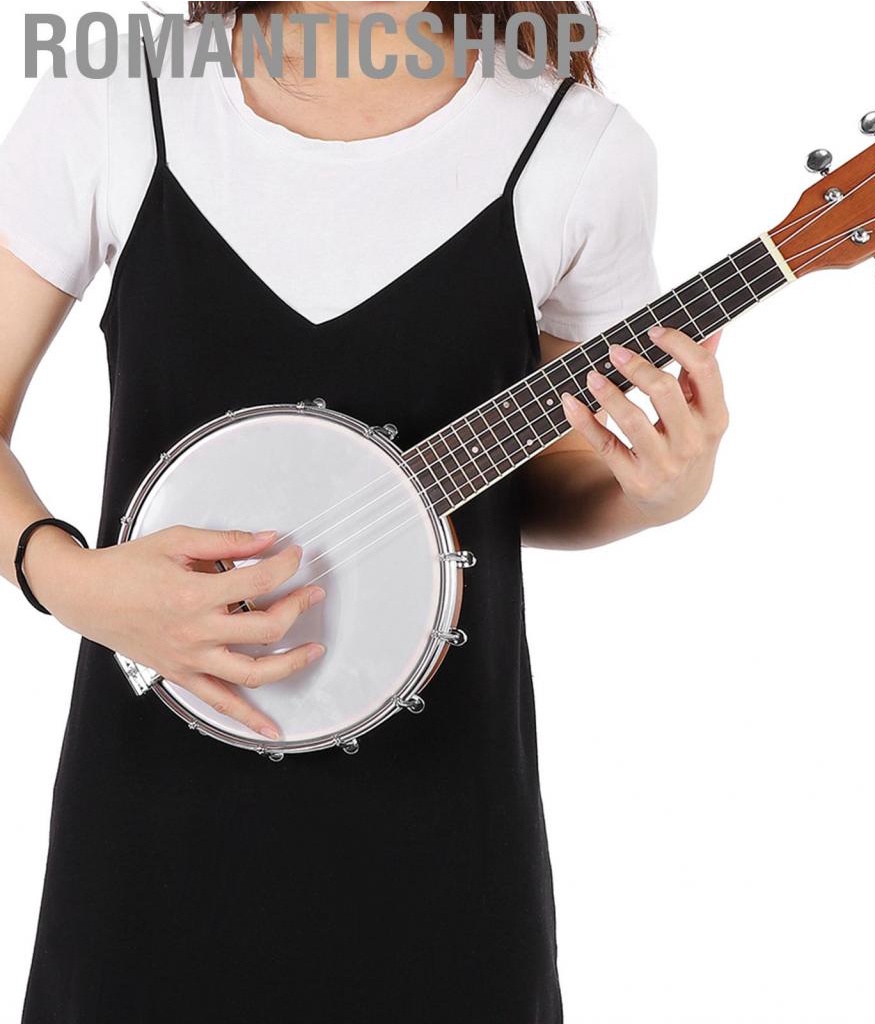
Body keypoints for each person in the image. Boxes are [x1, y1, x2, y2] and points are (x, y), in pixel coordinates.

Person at [0, 3, 729, 1020]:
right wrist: (66, 580)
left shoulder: (574, 148)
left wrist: (663, 490)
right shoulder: (124, 97)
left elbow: (543, 488)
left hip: (443, 855)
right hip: (148, 844)